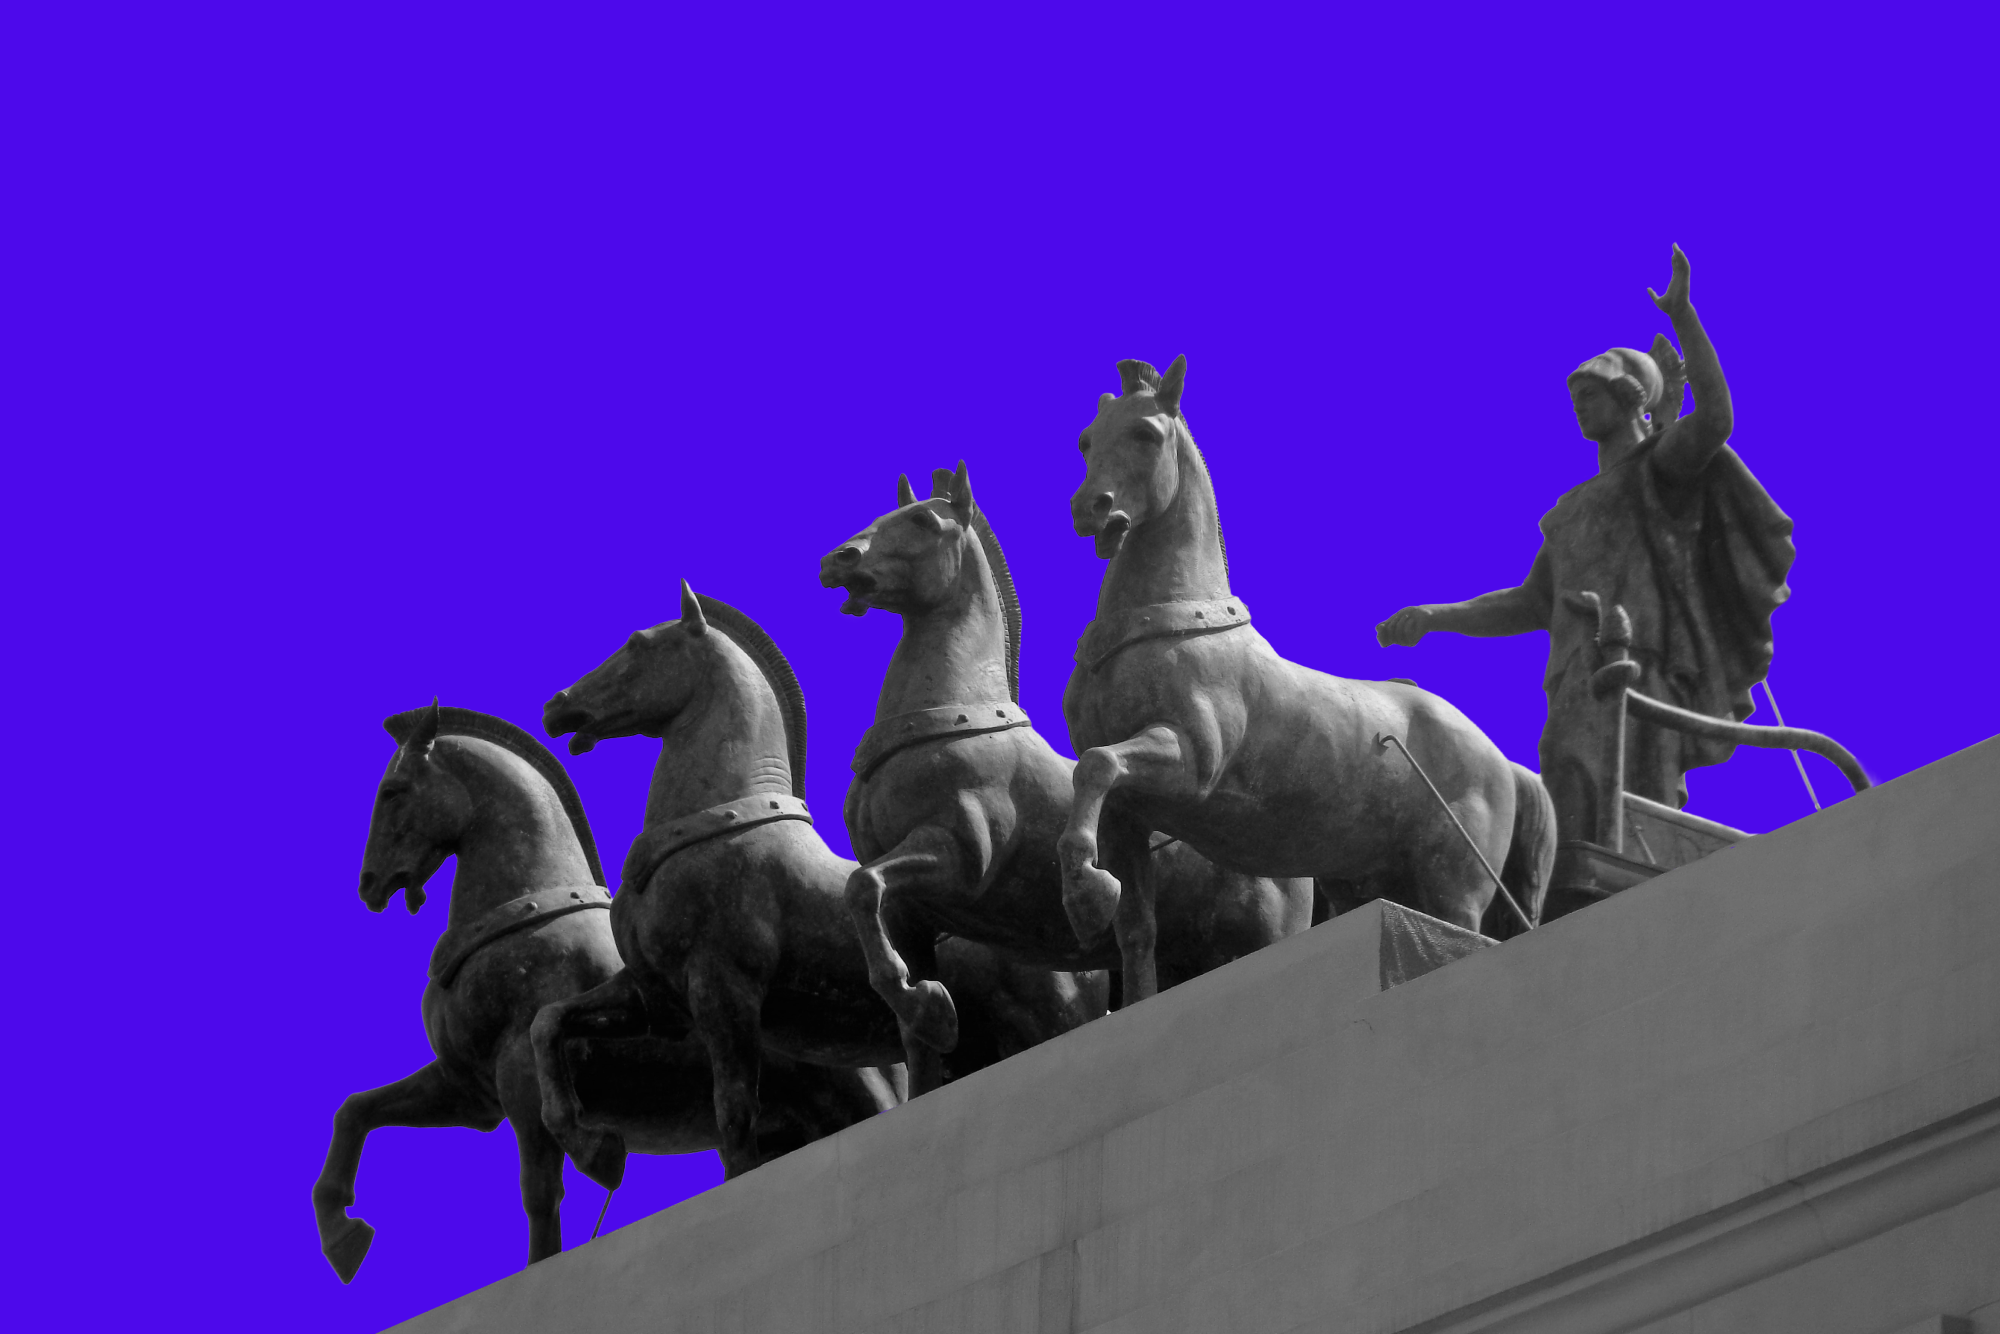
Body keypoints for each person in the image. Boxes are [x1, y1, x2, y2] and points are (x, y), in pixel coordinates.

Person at [1376, 245, 1793, 844]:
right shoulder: (1570, 510)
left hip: (1638, 664)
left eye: (1591, 394)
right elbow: (1530, 601)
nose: (1578, 405)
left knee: (1634, 804)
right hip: (1572, 678)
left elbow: (1717, 418)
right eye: (1575, 397)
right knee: (1567, 806)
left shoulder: (1659, 468)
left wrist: (1683, 316)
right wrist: (1436, 616)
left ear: (1630, 397)